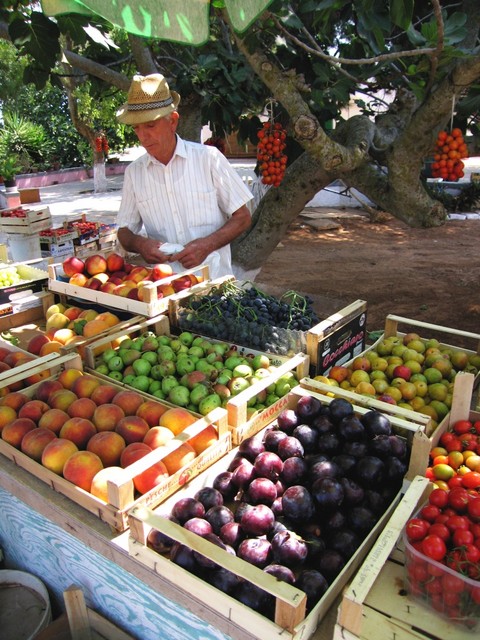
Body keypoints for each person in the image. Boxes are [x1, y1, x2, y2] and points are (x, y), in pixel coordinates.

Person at [115, 73, 253, 279]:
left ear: (172, 122)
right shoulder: (135, 173)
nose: (143, 136)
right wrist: (140, 244)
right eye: (137, 128)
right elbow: (123, 232)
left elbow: (242, 218)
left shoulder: (209, 159)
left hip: (214, 285)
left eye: (150, 125)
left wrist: (206, 245)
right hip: (166, 290)